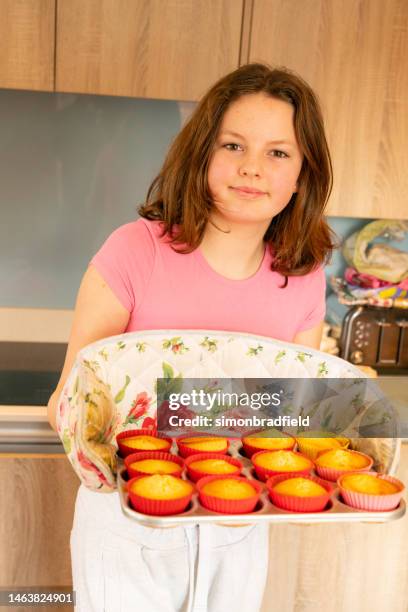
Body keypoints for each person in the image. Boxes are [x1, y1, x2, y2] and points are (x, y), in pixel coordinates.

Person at [47, 62, 335, 612]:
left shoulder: (303, 276)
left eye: (278, 152)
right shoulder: (134, 251)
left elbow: (291, 420)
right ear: (202, 152)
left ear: (302, 174)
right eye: (233, 145)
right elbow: (66, 403)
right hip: (130, 527)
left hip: (239, 522)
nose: (252, 168)